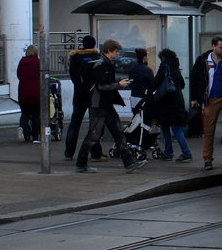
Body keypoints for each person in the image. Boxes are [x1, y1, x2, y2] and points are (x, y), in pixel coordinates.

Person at [75, 39, 146, 174]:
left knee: (118, 133)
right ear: (109, 51)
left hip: (105, 104)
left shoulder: (106, 64)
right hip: (99, 104)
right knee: (94, 135)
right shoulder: (101, 65)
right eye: (116, 51)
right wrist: (119, 85)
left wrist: (118, 84)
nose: (118, 54)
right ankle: (81, 163)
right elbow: (102, 86)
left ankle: (129, 163)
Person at [190, 36, 222, 170]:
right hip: (210, 99)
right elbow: (194, 78)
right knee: (209, 130)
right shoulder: (203, 60)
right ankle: (207, 159)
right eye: (221, 47)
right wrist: (194, 98)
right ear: (213, 47)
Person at [64, 35, 104, 161]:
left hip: (79, 95)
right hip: (93, 95)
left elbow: (73, 77)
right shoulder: (97, 58)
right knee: (94, 125)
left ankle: (69, 153)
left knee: (74, 124)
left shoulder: (75, 58)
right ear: (94, 44)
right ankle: (96, 153)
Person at [152, 48, 193, 162]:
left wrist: (149, 91)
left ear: (163, 58)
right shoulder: (176, 68)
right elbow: (182, 84)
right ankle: (180, 153)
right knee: (176, 128)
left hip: (167, 102)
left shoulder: (164, 66)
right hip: (178, 100)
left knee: (167, 128)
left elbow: (156, 82)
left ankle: (178, 153)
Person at [16, 45, 41, 143]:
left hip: (23, 90)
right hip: (35, 91)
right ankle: (35, 137)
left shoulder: (22, 62)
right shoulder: (38, 62)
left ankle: (22, 127)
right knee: (36, 114)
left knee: (25, 113)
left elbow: (18, 75)